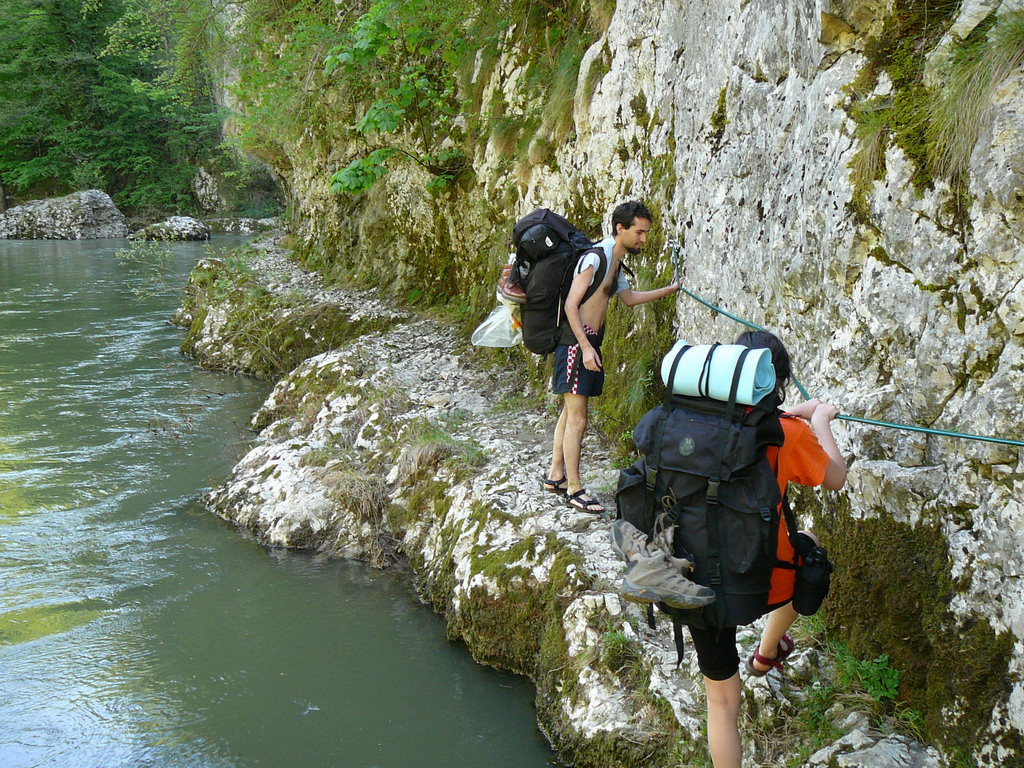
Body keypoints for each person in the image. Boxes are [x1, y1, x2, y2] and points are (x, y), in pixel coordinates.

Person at [690, 329, 847, 768]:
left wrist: (792, 415)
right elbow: (837, 476)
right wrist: (818, 422)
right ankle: (767, 650)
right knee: (809, 549)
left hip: (690, 579)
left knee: (721, 703)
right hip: (756, 579)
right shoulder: (787, 433)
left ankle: (762, 657)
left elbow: (757, 420)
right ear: (777, 381)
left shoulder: (691, 417)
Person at [543, 201, 680, 513]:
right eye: (639, 232)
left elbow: (629, 299)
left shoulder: (615, 261)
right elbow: (571, 306)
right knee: (579, 418)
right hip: (576, 344)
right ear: (621, 229)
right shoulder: (595, 258)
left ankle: (555, 475)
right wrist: (586, 347)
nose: (644, 239)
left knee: (569, 412)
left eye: (646, 233)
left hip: (587, 342)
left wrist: (671, 289)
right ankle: (574, 489)